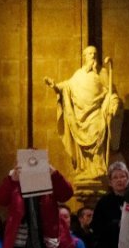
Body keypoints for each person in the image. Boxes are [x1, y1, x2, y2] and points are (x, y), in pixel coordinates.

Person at [46, 46, 120, 181]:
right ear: (84, 57)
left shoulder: (102, 73)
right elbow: (66, 86)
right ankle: (84, 169)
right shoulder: (78, 74)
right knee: (83, 148)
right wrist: (55, 86)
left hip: (96, 115)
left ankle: (98, 170)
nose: (93, 56)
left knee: (97, 139)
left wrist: (114, 104)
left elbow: (112, 93)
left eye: (95, 54)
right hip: (80, 118)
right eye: (90, 53)